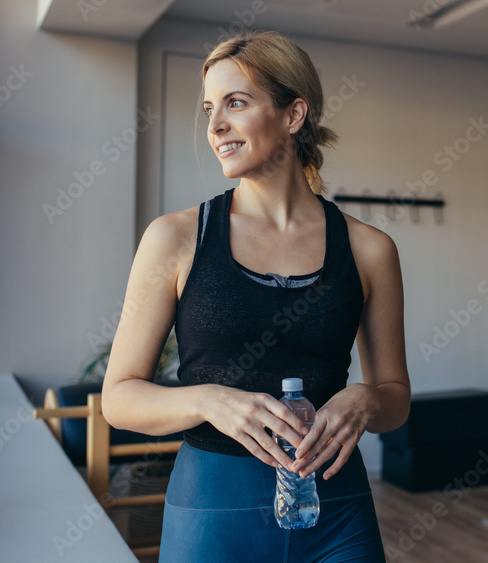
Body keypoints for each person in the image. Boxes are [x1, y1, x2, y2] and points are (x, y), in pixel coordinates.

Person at [101, 29, 410, 562]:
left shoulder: (370, 250)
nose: (215, 126)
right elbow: (119, 397)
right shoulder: (174, 239)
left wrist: (367, 397)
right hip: (212, 516)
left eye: (236, 104)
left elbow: (395, 398)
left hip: (337, 514)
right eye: (209, 109)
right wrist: (207, 399)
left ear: (293, 115)